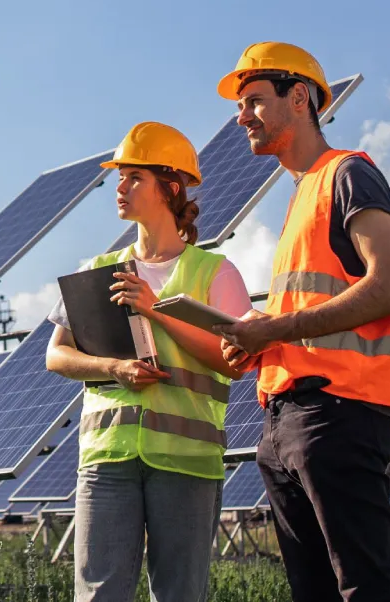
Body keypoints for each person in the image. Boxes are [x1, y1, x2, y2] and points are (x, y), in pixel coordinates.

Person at [210, 42, 390, 602]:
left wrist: (275, 330)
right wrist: (258, 336)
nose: (241, 117)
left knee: (366, 586)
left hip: (338, 410)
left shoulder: (347, 173)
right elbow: (310, 306)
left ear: (299, 97)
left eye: (254, 101)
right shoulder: (302, 194)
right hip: (285, 417)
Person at [46, 121, 250, 602]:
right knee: (97, 595)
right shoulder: (95, 270)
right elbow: (57, 355)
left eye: (134, 177)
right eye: (120, 177)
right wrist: (114, 369)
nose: (119, 187)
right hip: (106, 458)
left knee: (179, 595)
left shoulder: (214, 272)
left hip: (185, 462)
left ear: (170, 187)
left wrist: (156, 309)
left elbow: (235, 362)